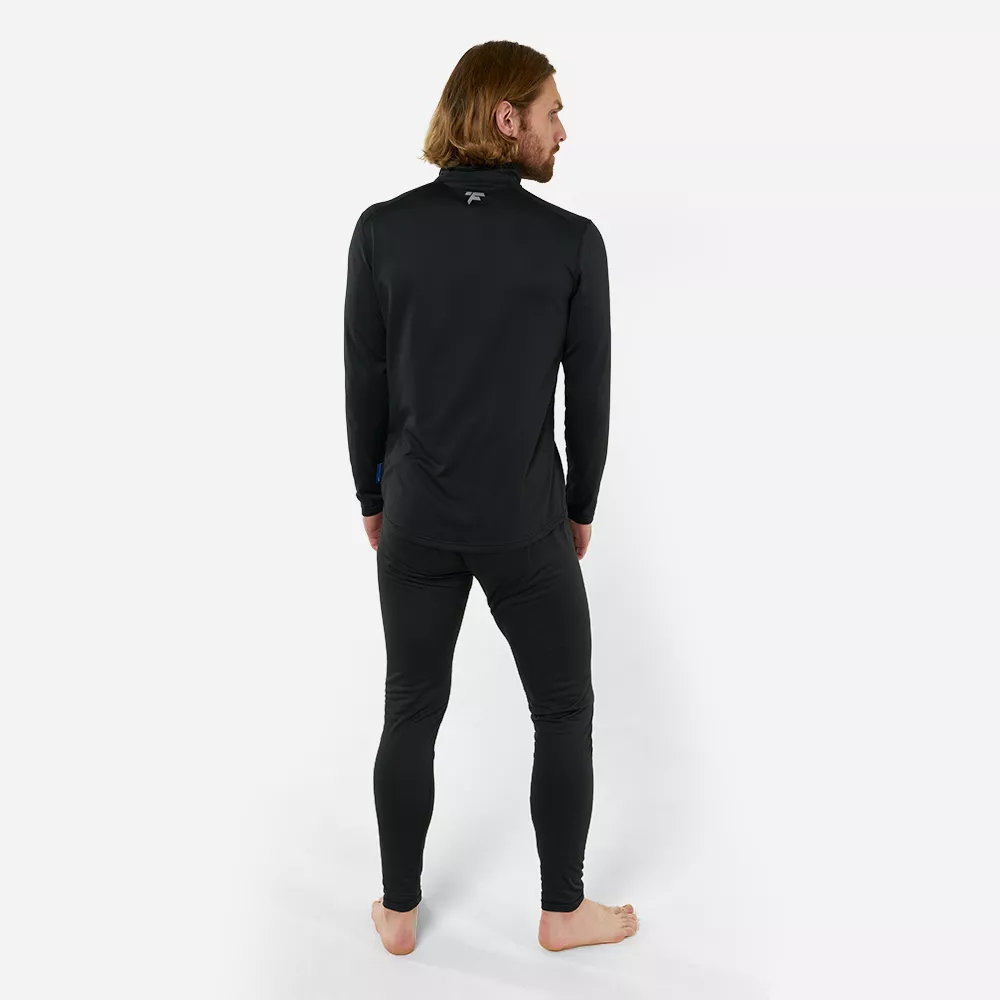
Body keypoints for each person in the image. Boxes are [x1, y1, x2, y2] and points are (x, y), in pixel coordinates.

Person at [343, 39, 637, 955]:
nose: (564, 130)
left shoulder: (383, 230)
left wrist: (371, 495)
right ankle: (562, 910)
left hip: (417, 520)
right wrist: (580, 506)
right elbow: (588, 397)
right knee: (563, 712)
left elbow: (364, 381)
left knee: (410, 710)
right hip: (526, 525)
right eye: (552, 111)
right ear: (507, 118)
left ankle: (398, 914)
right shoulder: (570, 242)